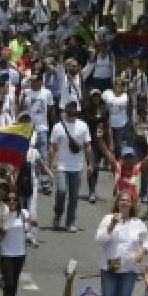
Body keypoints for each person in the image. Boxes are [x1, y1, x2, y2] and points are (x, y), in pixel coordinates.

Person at [95, 190, 148, 296]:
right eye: (122, 200)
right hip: (110, 268)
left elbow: (147, 240)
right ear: (117, 203)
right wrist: (112, 225)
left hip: (129, 269)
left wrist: (142, 252)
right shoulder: (108, 218)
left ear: (132, 204)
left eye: (127, 200)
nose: (125, 203)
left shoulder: (138, 222)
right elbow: (99, 239)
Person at [50, 99, 94, 232]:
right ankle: (58, 214)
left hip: (77, 166)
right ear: (65, 109)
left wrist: (90, 164)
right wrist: (50, 164)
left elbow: (87, 146)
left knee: (74, 197)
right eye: (70, 107)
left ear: (77, 109)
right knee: (62, 191)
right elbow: (53, 147)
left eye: (74, 107)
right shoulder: (58, 127)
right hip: (62, 165)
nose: (72, 109)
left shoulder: (83, 126)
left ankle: (70, 222)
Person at [0, 187, 33, 296]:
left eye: (15, 199)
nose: (12, 202)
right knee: (9, 282)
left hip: (20, 253)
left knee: (14, 283)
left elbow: (28, 229)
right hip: (5, 253)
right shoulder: (1, 213)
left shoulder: (24, 213)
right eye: (9, 199)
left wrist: (32, 223)